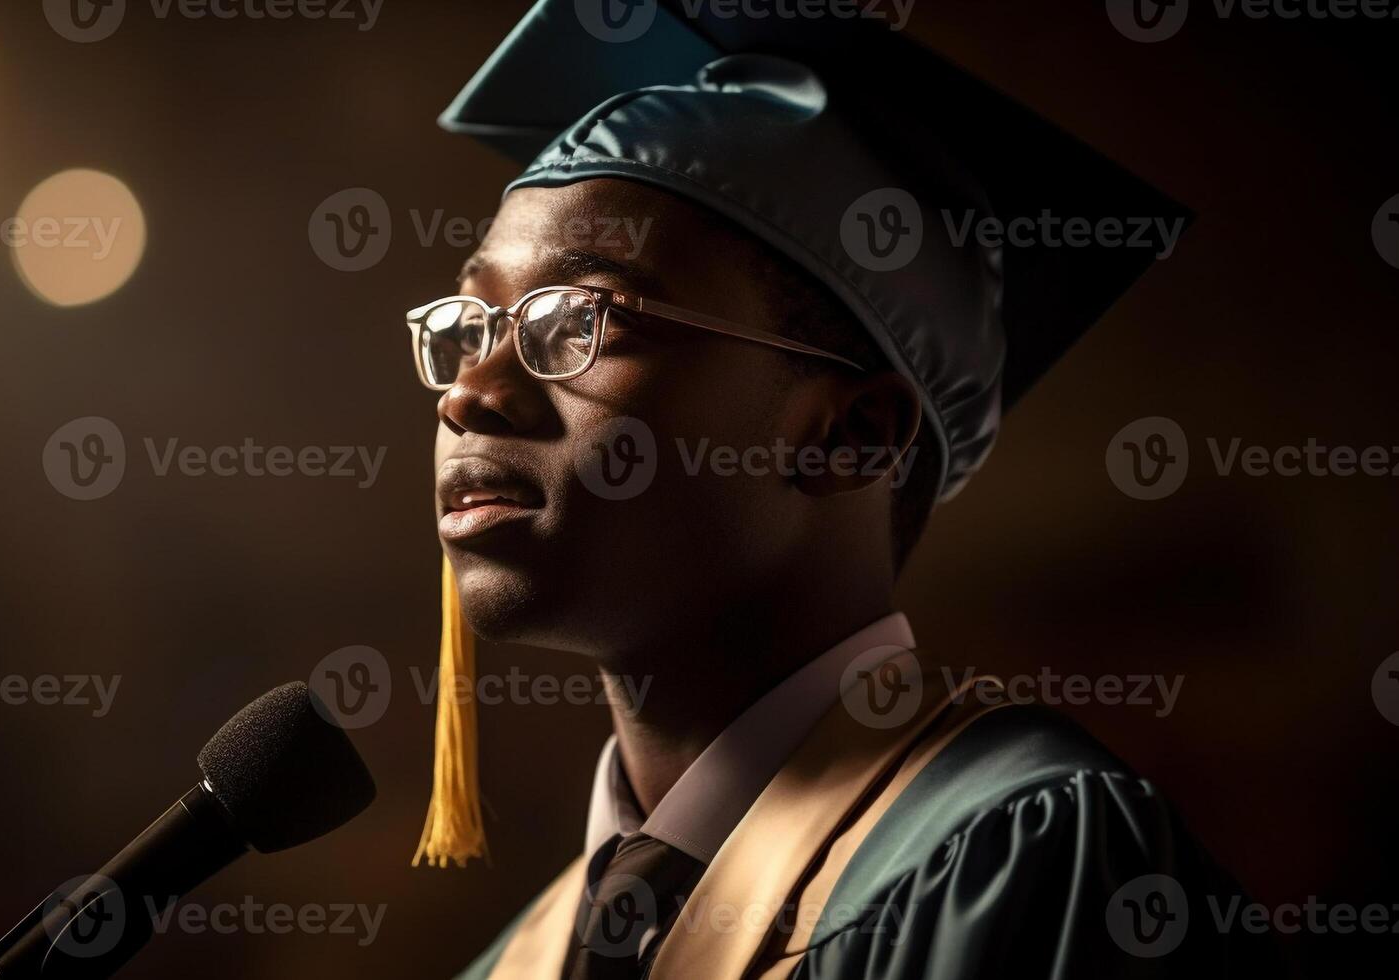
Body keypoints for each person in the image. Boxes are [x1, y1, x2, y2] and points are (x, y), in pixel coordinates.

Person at [402, 2, 1277, 976]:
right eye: (467, 324)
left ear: (849, 434)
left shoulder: (1023, 863)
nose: (470, 391)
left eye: (580, 318)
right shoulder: (514, 962)